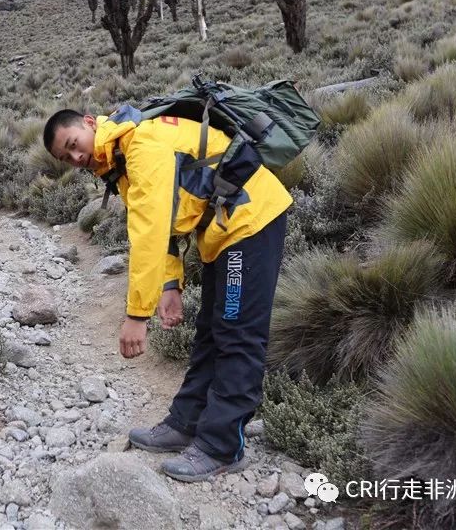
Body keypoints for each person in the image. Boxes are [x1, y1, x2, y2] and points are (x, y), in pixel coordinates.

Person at [43, 106, 291, 482]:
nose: (77, 158)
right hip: (223, 230)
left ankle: (223, 446)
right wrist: (170, 285)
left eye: (74, 144)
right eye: (67, 157)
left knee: (237, 334)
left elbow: (149, 233)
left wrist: (137, 316)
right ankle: (187, 422)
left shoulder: (142, 145)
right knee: (211, 331)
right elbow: (165, 223)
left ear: (91, 124)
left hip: (251, 221)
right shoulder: (122, 159)